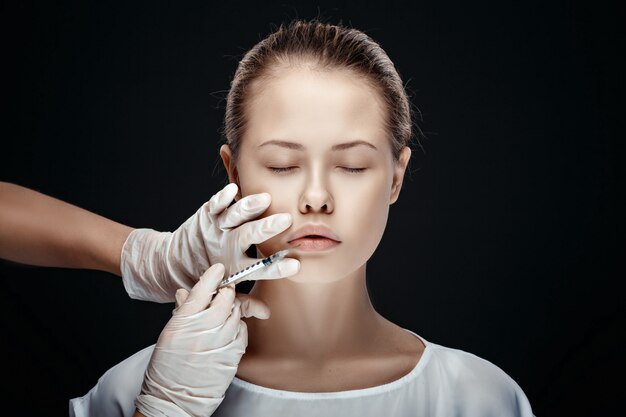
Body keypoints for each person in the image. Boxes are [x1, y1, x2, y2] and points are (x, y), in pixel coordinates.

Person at [69, 18, 535, 417]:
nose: (316, 198)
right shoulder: (137, 390)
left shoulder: (477, 399)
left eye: (352, 166)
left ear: (396, 178)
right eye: (282, 166)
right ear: (234, 173)